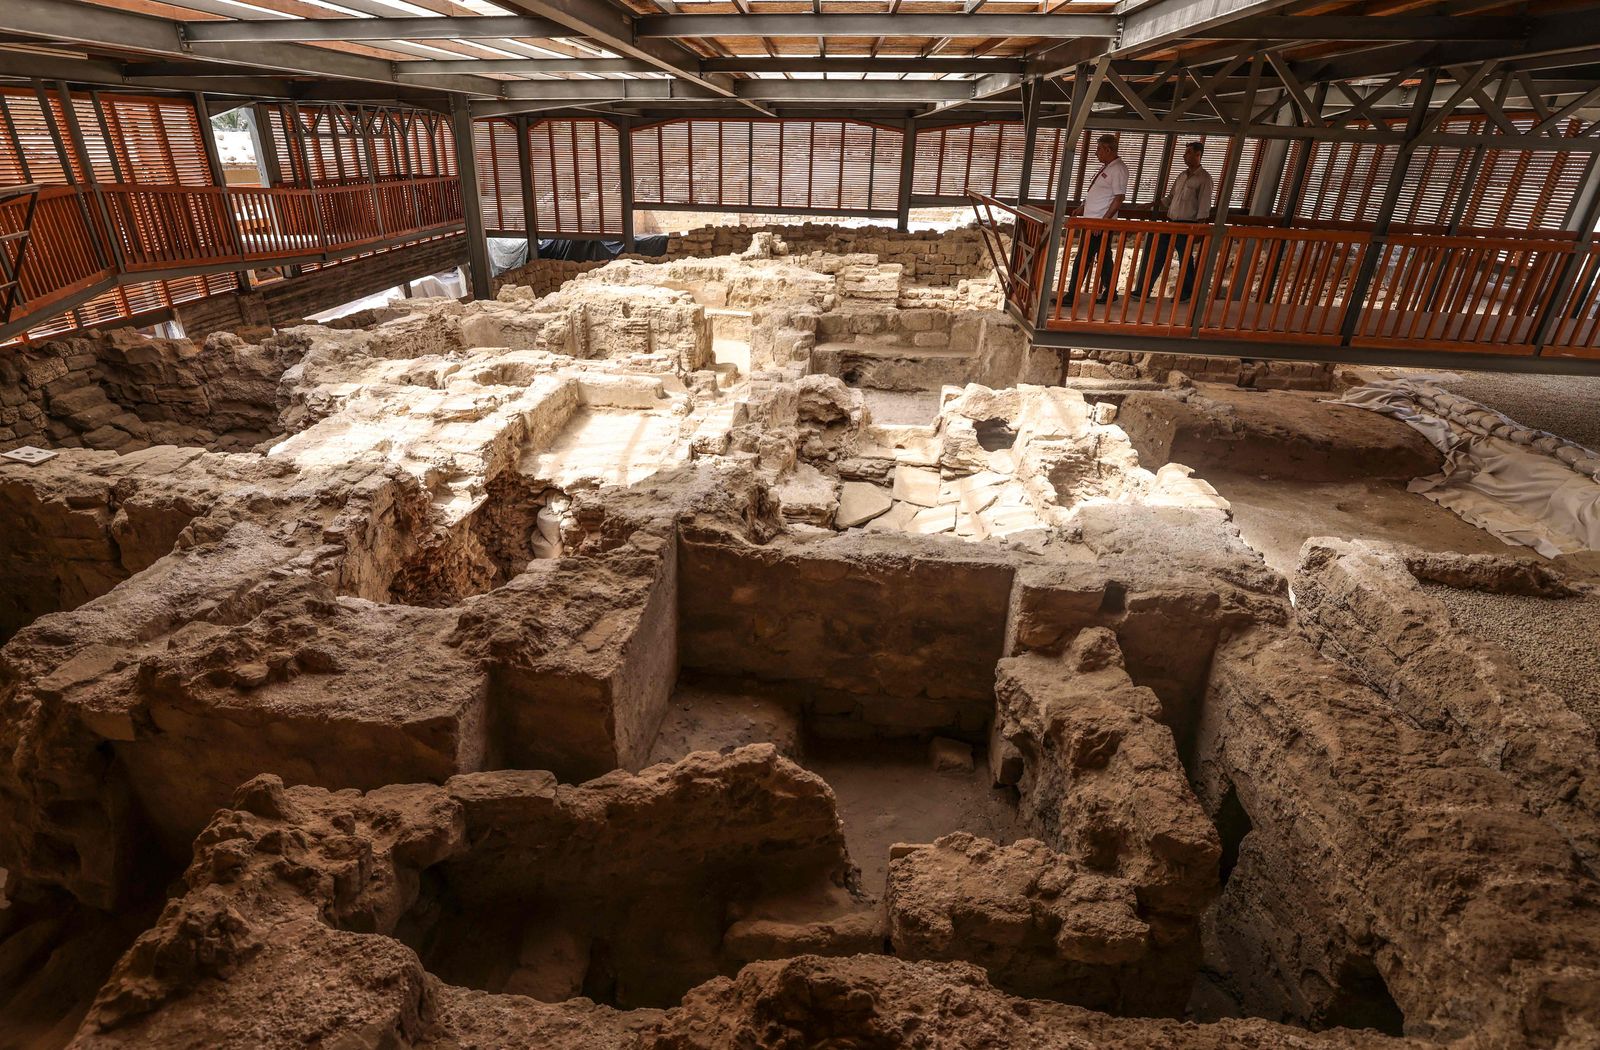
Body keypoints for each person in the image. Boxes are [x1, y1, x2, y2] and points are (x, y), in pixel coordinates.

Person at [1134, 140, 1213, 302]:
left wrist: (1200, 227)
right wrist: (1153, 204)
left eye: (1188, 152)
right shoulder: (1182, 175)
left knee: (1185, 259)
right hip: (1171, 222)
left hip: (1186, 224)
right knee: (1158, 256)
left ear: (1198, 155)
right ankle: (1143, 291)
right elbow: (1170, 198)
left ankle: (1185, 293)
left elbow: (1204, 205)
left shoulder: (1204, 179)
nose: (1185, 155)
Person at [1062, 134, 1129, 305]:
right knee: (1104, 257)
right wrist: (1083, 206)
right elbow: (1100, 193)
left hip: (1098, 223)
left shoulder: (1118, 169)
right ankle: (1110, 291)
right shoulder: (1108, 167)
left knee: (1083, 258)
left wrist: (1104, 221)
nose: (1096, 152)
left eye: (1099, 149)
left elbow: (1118, 198)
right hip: (1092, 220)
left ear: (1108, 149)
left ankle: (1072, 295)